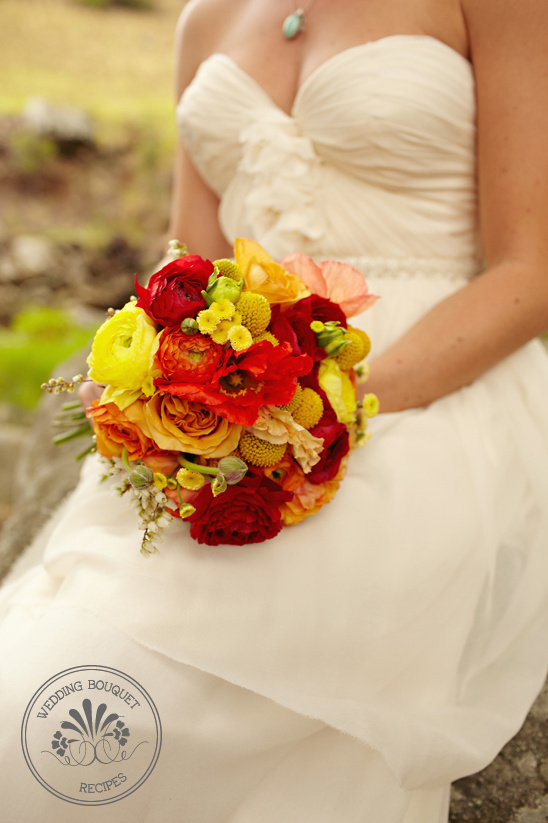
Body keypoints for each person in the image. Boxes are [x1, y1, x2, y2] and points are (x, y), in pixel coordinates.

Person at [1, 0, 548, 820]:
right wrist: (154, 380)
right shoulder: (203, 19)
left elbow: (528, 269)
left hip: (431, 385)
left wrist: (332, 406)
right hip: (237, 400)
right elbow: (190, 262)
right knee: (60, 679)